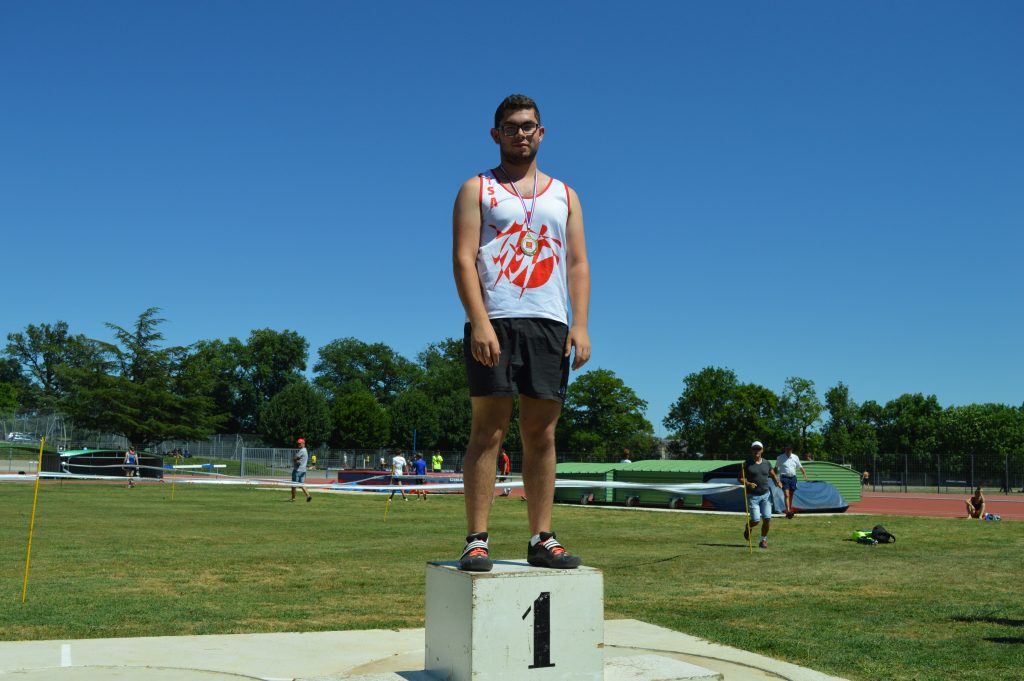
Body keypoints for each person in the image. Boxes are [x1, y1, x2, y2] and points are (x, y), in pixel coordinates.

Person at [452, 94, 591, 572]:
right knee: (487, 431)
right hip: (497, 320)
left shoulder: (565, 194)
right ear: (496, 134)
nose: (520, 133)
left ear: (542, 132)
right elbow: (463, 259)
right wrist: (480, 322)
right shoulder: (477, 188)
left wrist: (581, 324)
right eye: (510, 127)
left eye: (528, 126)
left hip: (550, 323)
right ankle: (476, 539)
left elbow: (577, 262)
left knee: (541, 434)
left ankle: (541, 537)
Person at [740, 441, 783, 549]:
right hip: (753, 496)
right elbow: (740, 478)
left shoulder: (767, 463)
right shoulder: (747, 463)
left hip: (765, 495)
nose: (756, 451)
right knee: (755, 520)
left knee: (767, 518)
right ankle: (748, 526)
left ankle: (763, 540)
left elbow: (772, 474)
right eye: (754, 449)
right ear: (752, 450)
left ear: (762, 450)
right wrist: (748, 483)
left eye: (758, 449)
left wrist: (777, 482)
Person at [775, 445, 809, 519]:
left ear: (791, 450)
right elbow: (776, 468)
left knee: (791, 495)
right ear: (785, 449)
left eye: (790, 450)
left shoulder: (795, 457)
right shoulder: (780, 457)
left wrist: (805, 475)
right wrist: (776, 478)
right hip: (784, 477)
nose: (788, 451)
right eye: (787, 449)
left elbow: (800, 466)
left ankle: (789, 510)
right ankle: (788, 511)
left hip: (793, 478)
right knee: (786, 495)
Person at [291, 438, 312, 502]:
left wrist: (295, 460)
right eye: (298, 443)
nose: (299, 444)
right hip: (303, 470)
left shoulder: (302, 451)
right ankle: (308, 496)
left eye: (300, 443)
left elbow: (294, 458)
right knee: (302, 484)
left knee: (293, 485)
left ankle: (293, 498)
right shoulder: (305, 450)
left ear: (303, 443)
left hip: (298, 470)